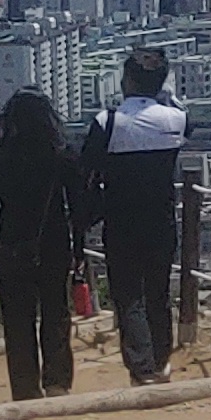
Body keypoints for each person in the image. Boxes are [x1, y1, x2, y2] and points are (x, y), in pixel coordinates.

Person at [79, 47, 188, 386]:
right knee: (158, 290)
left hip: (121, 219)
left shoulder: (108, 122)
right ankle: (161, 358)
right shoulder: (175, 119)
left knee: (128, 293)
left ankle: (141, 366)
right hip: (162, 217)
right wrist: (169, 99)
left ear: (127, 80)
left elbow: (86, 168)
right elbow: (189, 125)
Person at [0, 89, 85, 401]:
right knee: (56, 312)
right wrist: (79, 249)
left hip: (11, 243)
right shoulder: (62, 154)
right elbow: (77, 208)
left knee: (17, 321)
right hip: (53, 242)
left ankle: (25, 388)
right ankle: (57, 382)